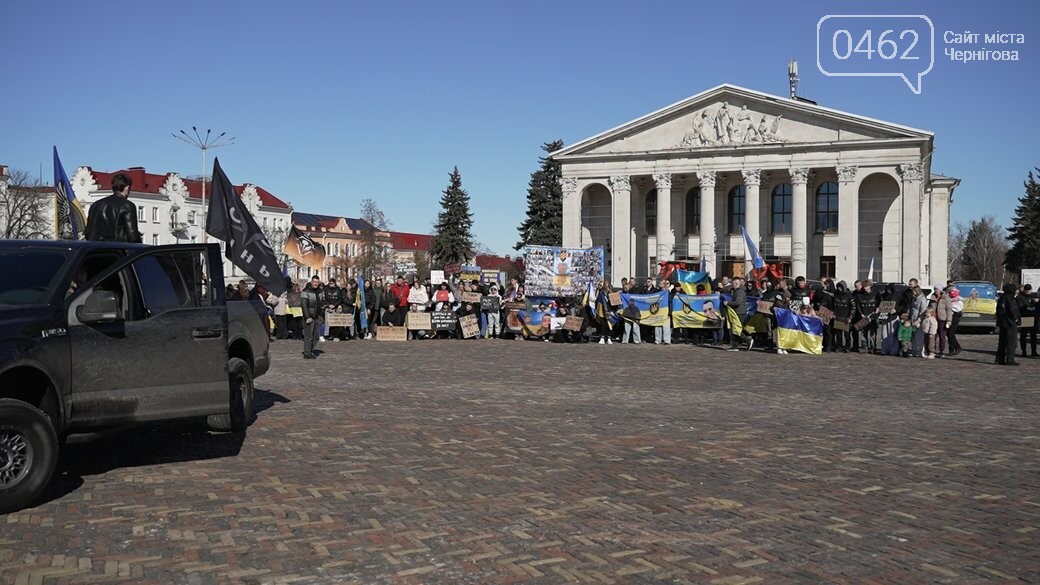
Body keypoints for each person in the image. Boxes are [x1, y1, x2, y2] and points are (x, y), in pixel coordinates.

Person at [85, 172, 143, 243]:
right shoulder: (127, 206)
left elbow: (88, 233)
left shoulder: (95, 205)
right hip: (116, 251)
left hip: (94, 250)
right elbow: (133, 236)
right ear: (126, 188)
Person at [996, 283, 1021, 366]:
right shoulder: (1010, 298)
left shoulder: (1001, 298)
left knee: (1002, 342)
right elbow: (1012, 309)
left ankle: (1000, 359)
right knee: (1011, 342)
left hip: (1002, 323)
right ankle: (1010, 360)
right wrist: (1017, 318)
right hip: (1010, 323)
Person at [853, 279, 879, 354]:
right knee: (864, 333)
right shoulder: (859, 295)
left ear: (870, 286)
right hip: (864, 316)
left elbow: (879, 304)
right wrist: (861, 314)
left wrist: (877, 310)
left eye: (867, 286)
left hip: (873, 316)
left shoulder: (875, 294)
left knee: (872, 333)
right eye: (864, 287)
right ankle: (865, 347)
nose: (865, 288)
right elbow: (858, 306)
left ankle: (872, 347)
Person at [300, 275, 323, 359]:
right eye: (314, 282)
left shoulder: (320, 291)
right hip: (309, 316)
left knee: (316, 336)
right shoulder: (305, 291)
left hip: (316, 316)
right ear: (311, 282)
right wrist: (307, 317)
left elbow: (321, 303)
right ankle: (307, 353)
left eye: (317, 282)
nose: (315, 284)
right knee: (308, 336)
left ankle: (310, 350)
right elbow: (303, 305)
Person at [830, 281, 854, 352]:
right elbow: (832, 305)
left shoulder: (849, 296)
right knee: (838, 334)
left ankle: (847, 346)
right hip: (837, 317)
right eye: (838, 287)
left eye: (841, 287)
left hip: (846, 317)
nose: (839, 289)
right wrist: (833, 313)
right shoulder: (835, 295)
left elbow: (853, 307)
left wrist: (850, 317)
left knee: (847, 334)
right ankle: (839, 346)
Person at [726, 277, 749, 352]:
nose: (732, 285)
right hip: (736, 312)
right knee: (734, 329)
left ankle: (747, 339)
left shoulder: (740, 292)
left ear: (736, 284)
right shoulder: (736, 291)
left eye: (733, 284)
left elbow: (737, 303)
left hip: (740, 312)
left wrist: (728, 303)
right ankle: (735, 346)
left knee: (736, 329)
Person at [1017, 283, 1038, 358]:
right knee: (1024, 336)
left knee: (1033, 336)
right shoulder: (1020, 297)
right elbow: (1020, 307)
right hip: (1025, 317)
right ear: (1024, 290)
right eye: (1027, 290)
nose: (1028, 291)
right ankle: (1024, 351)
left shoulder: (1034, 296)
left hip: (1034, 317)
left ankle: (1034, 351)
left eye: (1029, 290)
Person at [945, 287, 963, 356]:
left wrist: (950, 308)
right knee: (948, 333)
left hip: (955, 316)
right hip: (948, 316)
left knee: (951, 333)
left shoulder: (959, 300)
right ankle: (951, 349)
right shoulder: (948, 299)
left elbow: (958, 308)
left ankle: (957, 347)